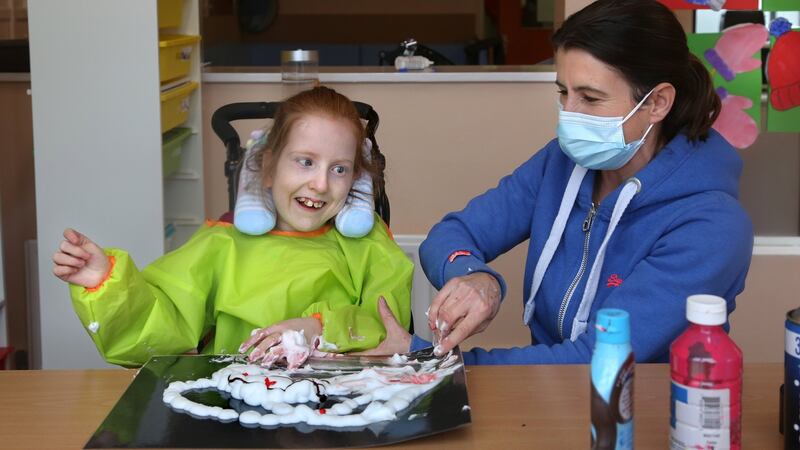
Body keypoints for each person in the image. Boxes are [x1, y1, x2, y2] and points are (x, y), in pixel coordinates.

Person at [414, 0, 754, 364]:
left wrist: (430, 363)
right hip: (548, 402)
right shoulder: (560, 164)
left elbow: (594, 359)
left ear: (657, 103)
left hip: (642, 411)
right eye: (563, 92)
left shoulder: (712, 224)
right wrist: (478, 279)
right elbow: (450, 234)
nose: (569, 115)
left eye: (590, 98)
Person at [52, 86, 413, 367]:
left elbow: (388, 325)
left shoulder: (370, 247)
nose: (320, 184)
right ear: (267, 168)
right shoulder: (220, 246)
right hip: (242, 409)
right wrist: (107, 284)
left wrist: (319, 328)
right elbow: (158, 329)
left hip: (345, 408)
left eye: (339, 169)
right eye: (305, 162)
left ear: (356, 178)